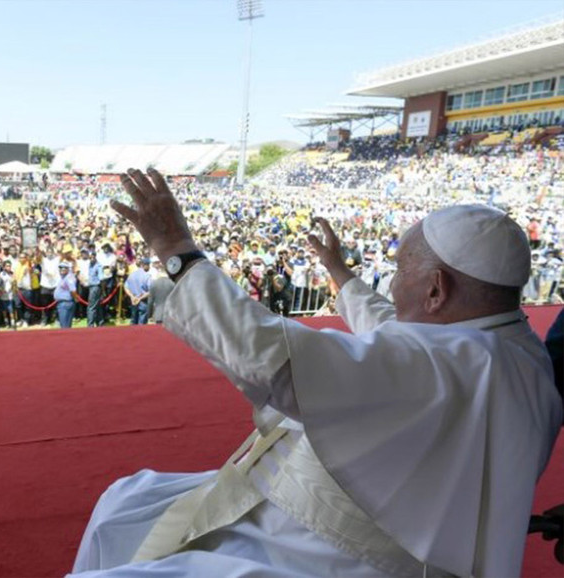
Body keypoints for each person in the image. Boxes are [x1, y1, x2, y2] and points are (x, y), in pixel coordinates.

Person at [69, 169, 562, 578]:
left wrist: (177, 251)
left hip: (331, 552)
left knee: (123, 530)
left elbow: (270, 357)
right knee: (127, 501)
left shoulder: (441, 364)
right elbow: (393, 329)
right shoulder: (513, 348)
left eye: (399, 270)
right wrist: (341, 274)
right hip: (364, 526)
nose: (391, 283)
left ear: (435, 290)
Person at [124, 257, 151, 325]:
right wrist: (140, 298)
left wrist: (132, 296)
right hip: (143, 302)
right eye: (148, 265)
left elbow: (126, 287)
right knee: (142, 324)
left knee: (133, 321)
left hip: (134, 301)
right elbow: (150, 291)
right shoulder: (147, 276)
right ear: (145, 265)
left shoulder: (132, 275)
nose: (149, 267)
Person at [54, 262, 79, 329]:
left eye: (64, 268)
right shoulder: (63, 277)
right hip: (62, 303)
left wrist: (76, 298)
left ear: (68, 269)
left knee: (65, 326)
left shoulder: (69, 277)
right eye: (60, 268)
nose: (62, 269)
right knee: (64, 325)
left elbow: (73, 290)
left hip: (66, 303)